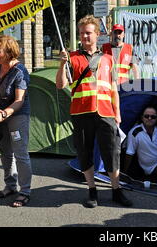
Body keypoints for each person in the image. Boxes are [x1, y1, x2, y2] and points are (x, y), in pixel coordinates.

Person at [56, 15, 132, 208]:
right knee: (84, 151)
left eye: (88, 33)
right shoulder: (72, 58)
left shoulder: (108, 59)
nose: (84, 37)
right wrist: (61, 64)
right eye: (82, 33)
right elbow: (60, 85)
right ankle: (92, 191)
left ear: (97, 35)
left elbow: (113, 88)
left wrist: (118, 112)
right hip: (81, 112)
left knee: (112, 151)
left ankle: (116, 190)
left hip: (106, 112)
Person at [0, 35, 32, 207]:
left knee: (20, 153)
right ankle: (11, 186)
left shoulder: (20, 71)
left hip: (16, 115)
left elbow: (19, 100)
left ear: (9, 51)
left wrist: (4, 114)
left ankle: (25, 191)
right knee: (5, 152)